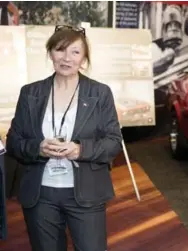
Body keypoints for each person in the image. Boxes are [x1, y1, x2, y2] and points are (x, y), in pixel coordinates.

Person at [6, 25, 122, 251]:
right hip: (41, 194)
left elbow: (113, 141)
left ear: (84, 58)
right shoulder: (30, 93)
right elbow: (13, 142)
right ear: (50, 53)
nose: (67, 58)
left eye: (75, 52)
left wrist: (80, 150)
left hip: (86, 192)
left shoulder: (99, 93)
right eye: (60, 50)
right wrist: (37, 148)